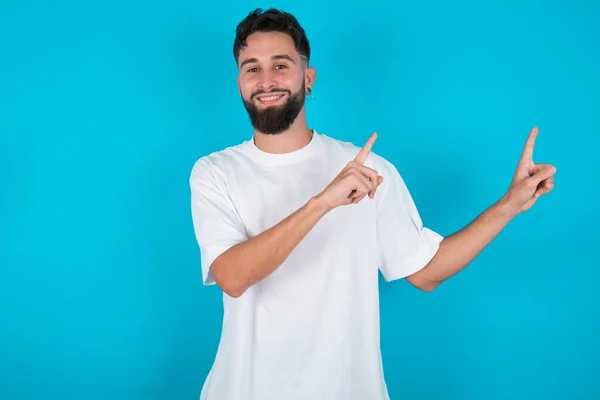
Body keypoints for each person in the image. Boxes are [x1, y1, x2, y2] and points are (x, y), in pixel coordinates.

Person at [189, 8, 556, 400]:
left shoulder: (368, 169)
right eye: (252, 68)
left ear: (307, 78)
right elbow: (232, 276)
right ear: (239, 82)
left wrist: (509, 205)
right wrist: (322, 202)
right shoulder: (215, 172)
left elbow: (426, 271)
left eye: (281, 65)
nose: (266, 81)